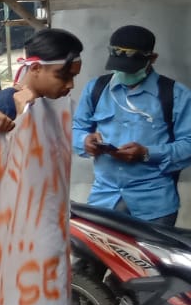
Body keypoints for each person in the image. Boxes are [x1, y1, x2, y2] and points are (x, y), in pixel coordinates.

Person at [74, 25, 191, 226]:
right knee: (101, 258)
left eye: (130, 68)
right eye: (118, 67)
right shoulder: (96, 89)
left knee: (148, 258)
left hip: (154, 206)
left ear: (151, 59)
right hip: (104, 200)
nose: (123, 73)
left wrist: (147, 153)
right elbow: (77, 128)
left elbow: (188, 145)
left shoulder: (175, 94)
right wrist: (85, 141)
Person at [0, 28, 84, 130]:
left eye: (73, 77)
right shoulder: (6, 104)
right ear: (35, 68)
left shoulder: (45, 103)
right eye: (64, 77)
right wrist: (21, 116)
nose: (71, 85)